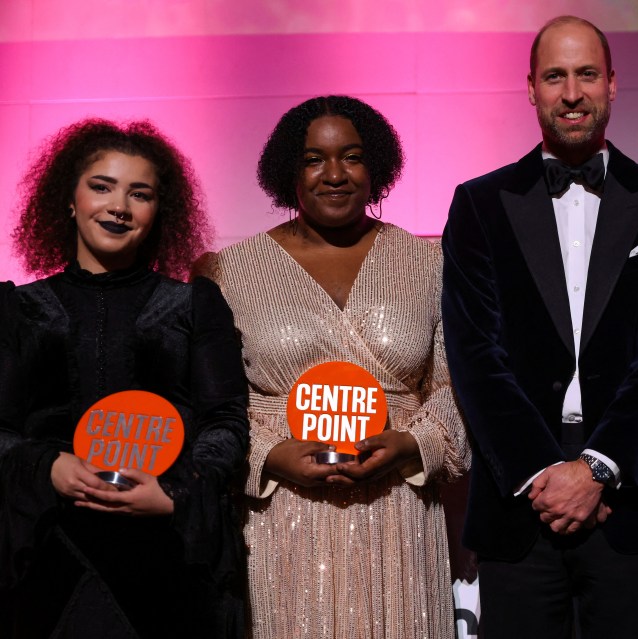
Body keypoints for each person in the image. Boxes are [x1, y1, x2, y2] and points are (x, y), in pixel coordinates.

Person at [441, 15, 638, 638]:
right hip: (518, 494)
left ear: (613, 84)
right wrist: (541, 473)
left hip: (629, 488)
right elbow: (475, 353)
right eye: (554, 76)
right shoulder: (478, 203)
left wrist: (597, 469)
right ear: (530, 89)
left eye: (586, 74)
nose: (571, 92)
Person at [197, 95, 469, 639]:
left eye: (352, 156)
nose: (335, 174)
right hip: (282, 516)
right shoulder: (226, 271)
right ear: (287, 172)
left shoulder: (431, 262)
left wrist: (411, 445)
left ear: (378, 168)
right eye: (313, 159)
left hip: (398, 508)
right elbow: (212, 401)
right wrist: (272, 455)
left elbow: (454, 385)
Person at [0, 119, 249, 638]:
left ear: (159, 212)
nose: (119, 206)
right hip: (46, 551)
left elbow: (224, 422)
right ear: (68, 199)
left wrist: (176, 495)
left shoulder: (193, 305)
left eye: (140, 194)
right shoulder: (17, 309)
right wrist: (48, 465)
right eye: (101, 186)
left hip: (165, 553)